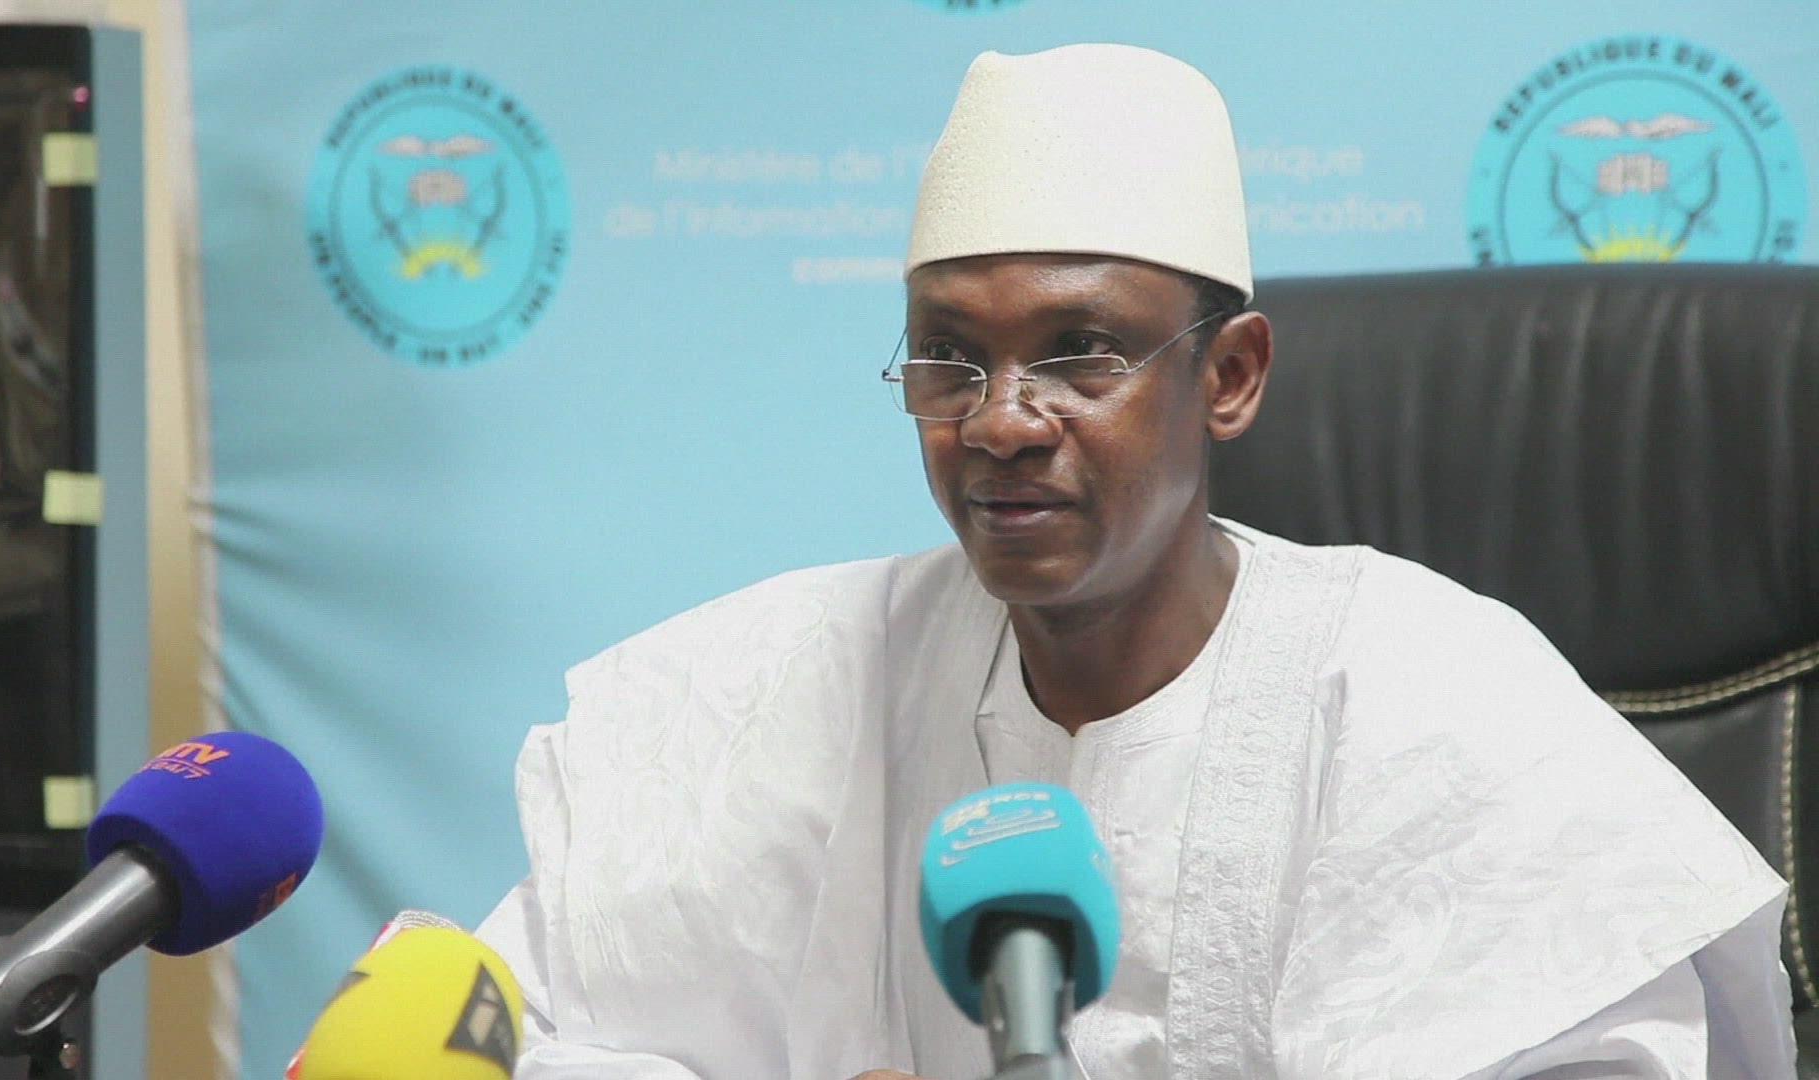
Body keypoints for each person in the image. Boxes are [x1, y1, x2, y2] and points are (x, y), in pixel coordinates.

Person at [476, 43, 1794, 1079]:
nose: (1000, 420)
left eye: (1079, 354)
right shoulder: (771, 689)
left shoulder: (1435, 697)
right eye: (949, 357)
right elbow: (528, 1032)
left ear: (1230, 376)